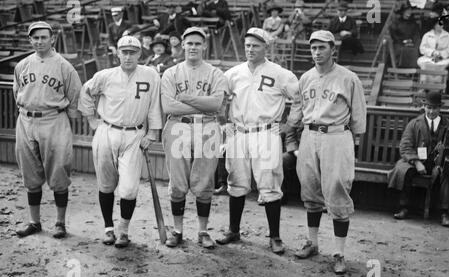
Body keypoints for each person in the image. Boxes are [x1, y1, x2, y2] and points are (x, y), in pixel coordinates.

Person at [286, 30, 366, 274]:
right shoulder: (306, 77)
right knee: (310, 190)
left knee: (337, 190)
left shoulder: (348, 78)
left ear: (333, 49)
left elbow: (359, 116)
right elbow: (297, 111)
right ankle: (313, 242)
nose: (317, 52)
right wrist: (291, 138)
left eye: (322, 47)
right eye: (313, 48)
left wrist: (351, 143)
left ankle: (339, 253)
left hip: (336, 135)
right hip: (310, 135)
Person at [216, 28, 300, 254]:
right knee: (236, 181)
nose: (250, 49)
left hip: (265, 132)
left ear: (266, 47)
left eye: (256, 45)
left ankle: (275, 237)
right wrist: (224, 122)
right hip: (238, 131)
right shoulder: (233, 73)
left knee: (270, 183)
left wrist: (290, 124)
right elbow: (220, 100)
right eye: (248, 45)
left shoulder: (280, 73)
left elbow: (299, 99)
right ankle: (234, 230)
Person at [78, 36, 163, 248]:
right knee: (106, 185)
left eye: (132, 52)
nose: (128, 56)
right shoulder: (105, 76)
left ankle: (123, 230)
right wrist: (91, 120)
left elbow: (154, 106)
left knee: (128, 189)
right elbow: (85, 93)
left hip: (134, 135)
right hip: (107, 131)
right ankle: (108, 228)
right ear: (117, 53)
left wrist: (152, 134)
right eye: (124, 52)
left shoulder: (150, 74)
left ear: (139, 54)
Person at [161, 27, 228, 249]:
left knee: (204, 182)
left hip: (207, 127)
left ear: (204, 46)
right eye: (189, 43)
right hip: (178, 126)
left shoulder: (215, 73)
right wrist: (201, 102)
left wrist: (187, 98)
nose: (193, 47)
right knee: (178, 183)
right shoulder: (172, 73)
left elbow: (216, 104)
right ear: (182, 45)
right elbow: (168, 105)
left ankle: (202, 231)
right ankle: (178, 231)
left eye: (197, 43)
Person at [13, 21, 82, 239]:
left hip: (54, 120)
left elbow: (75, 98)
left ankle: (60, 223)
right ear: (30, 40)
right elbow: (18, 93)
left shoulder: (64, 66)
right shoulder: (22, 65)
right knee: (30, 174)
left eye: (44, 37)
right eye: (35, 37)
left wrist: (65, 124)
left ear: (52, 39)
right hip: (25, 121)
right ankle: (34, 222)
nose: (40, 41)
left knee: (59, 173)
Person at [388, 91, 449, 227]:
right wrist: (416, 162)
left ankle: (445, 213)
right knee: (404, 170)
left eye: (434, 108)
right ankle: (404, 207)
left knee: (447, 171)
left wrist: (442, 159)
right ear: (424, 107)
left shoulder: (447, 125)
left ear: (440, 108)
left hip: (437, 163)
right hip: (417, 161)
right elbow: (405, 146)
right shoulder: (414, 123)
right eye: (428, 107)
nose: (431, 111)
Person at [417, 16, 449, 82]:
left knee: (441, 64)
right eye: (438, 24)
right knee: (424, 64)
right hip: (429, 57)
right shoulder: (427, 35)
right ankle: (424, 85)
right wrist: (432, 52)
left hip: (443, 58)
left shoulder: (448, 35)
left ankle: (439, 87)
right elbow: (422, 49)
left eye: (442, 24)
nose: (440, 26)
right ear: (434, 25)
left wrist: (441, 54)